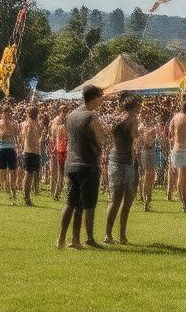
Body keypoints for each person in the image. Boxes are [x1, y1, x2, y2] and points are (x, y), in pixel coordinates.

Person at [57, 84, 105, 249]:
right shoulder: (91, 116)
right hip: (88, 164)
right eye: (101, 97)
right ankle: (89, 238)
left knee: (71, 203)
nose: (102, 101)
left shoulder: (71, 115)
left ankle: (64, 239)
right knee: (88, 204)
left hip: (71, 163)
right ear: (95, 97)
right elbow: (101, 140)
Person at [104, 93, 140, 244]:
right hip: (125, 161)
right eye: (138, 105)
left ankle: (108, 234)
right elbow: (136, 136)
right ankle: (122, 236)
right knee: (127, 201)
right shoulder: (132, 120)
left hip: (115, 158)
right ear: (133, 107)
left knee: (115, 200)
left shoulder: (116, 118)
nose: (140, 108)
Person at [169, 98, 186, 212]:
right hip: (184, 149)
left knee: (184, 176)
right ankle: (183, 201)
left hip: (177, 148)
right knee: (183, 176)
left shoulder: (175, 117)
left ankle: (183, 199)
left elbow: (170, 130)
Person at [0, 103, 18, 204]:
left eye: (8, 113)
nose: (7, 115)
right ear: (2, 113)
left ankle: (13, 196)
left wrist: (17, 147)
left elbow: (16, 135)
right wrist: (1, 134)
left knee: (12, 172)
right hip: (0, 149)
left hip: (11, 148)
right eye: (5, 113)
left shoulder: (13, 124)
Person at [20, 104, 43, 206]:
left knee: (32, 174)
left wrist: (36, 125)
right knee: (28, 174)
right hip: (28, 152)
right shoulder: (25, 124)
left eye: (35, 113)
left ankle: (27, 195)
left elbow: (40, 134)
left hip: (36, 152)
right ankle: (26, 196)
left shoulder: (37, 124)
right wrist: (30, 125)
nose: (34, 115)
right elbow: (25, 135)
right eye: (32, 113)